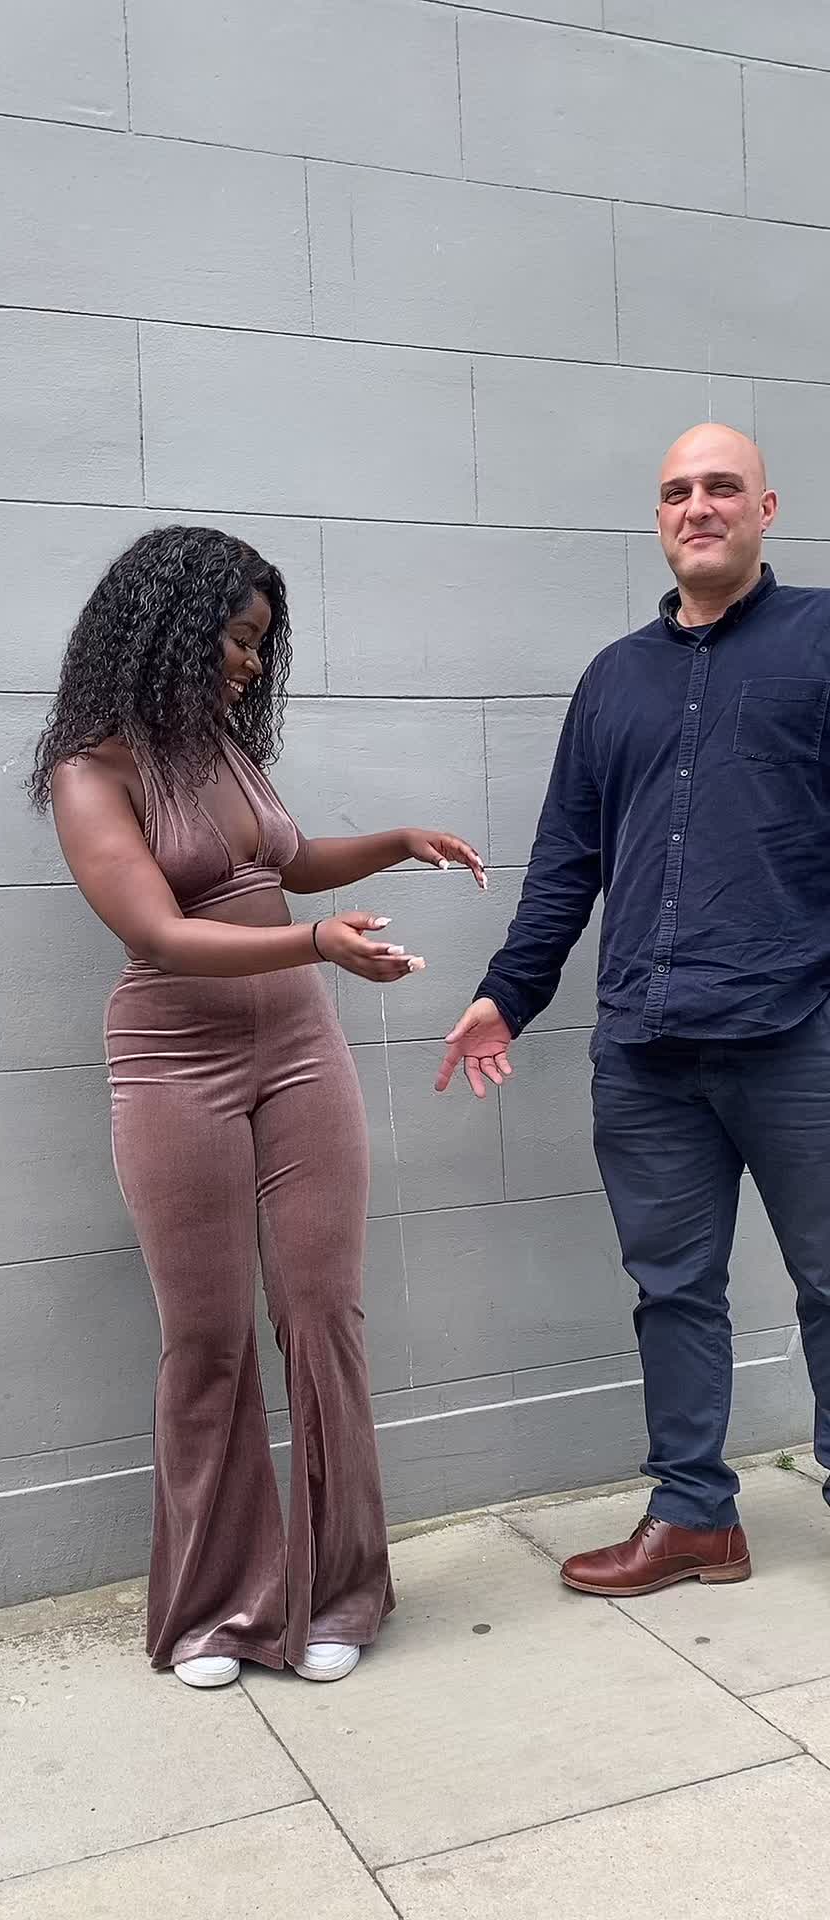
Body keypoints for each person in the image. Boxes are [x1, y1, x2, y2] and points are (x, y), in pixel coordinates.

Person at [32, 525, 485, 1684]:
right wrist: (318, 945)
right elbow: (161, 932)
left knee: (322, 1311)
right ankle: (215, 1611)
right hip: (173, 1062)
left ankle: (341, 1592)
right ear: (170, 629)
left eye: (259, 646)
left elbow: (284, 860)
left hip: (299, 1050)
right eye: (236, 640)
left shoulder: (226, 752)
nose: (248, 664)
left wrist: (394, 843)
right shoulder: (93, 773)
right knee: (208, 1337)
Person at [437, 423, 830, 1596]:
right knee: (672, 1292)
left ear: (766, 507)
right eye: (675, 491)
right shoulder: (613, 678)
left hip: (799, 1034)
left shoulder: (821, 638)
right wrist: (507, 994)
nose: (697, 505)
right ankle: (696, 1517)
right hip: (648, 1050)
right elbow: (569, 856)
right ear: (659, 518)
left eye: (721, 487)